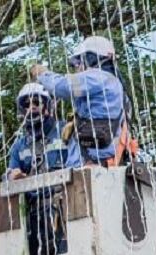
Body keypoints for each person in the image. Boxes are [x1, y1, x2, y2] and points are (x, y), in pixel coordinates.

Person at [33, 35, 134, 167]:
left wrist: (42, 73)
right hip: (101, 163)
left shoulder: (98, 77)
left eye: (78, 62)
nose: (77, 67)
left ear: (91, 58)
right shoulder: (112, 82)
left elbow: (61, 87)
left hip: (95, 166)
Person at [6, 81, 69, 255]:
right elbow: (10, 173)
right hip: (36, 215)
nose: (31, 108)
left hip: (63, 210)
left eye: (36, 103)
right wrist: (13, 176)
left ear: (47, 106)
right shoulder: (20, 145)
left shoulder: (64, 131)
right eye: (27, 105)